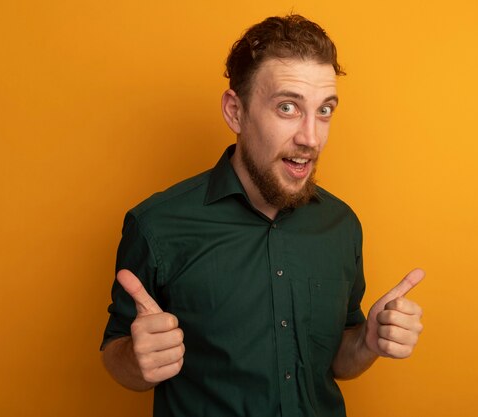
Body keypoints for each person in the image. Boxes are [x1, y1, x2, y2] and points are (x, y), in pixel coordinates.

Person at [101, 14, 424, 417]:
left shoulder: (341, 225)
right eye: (288, 107)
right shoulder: (157, 226)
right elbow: (116, 353)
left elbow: (338, 358)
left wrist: (367, 342)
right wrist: (136, 359)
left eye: (324, 110)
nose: (311, 137)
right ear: (236, 112)